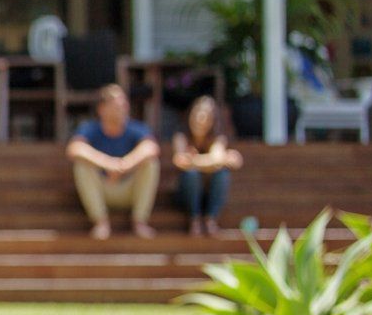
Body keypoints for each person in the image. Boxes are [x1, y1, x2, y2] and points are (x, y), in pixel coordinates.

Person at [65, 84, 161, 240]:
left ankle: (139, 221)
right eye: (117, 103)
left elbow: (152, 147)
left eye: (124, 103)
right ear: (102, 108)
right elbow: (74, 148)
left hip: (128, 189)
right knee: (81, 165)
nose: (123, 107)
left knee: (151, 164)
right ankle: (100, 222)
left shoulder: (136, 128)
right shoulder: (90, 128)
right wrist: (108, 164)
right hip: (103, 188)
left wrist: (124, 165)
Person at [171, 95, 243, 237]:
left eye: (206, 116)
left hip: (209, 194)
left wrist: (194, 161)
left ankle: (210, 219)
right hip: (185, 195)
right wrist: (215, 161)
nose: (200, 119)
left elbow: (216, 160)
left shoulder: (218, 138)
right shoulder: (181, 137)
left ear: (213, 121)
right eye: (197, 114)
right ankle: (195, 219)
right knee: (191, 175)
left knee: (222, 174)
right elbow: (180, 161)